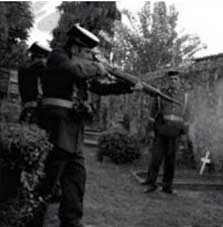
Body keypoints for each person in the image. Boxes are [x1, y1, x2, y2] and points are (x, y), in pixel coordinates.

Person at [28, 23, 142, 227]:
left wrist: (129, 86)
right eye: (88, 52)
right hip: (55, 127)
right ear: (75, 48)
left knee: (76, 181)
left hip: (73, 129)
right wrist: (98, 67)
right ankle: (32, 219)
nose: (90, 56)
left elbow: (99, 88)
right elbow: (72, 71)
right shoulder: (57, 57)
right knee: (48, 182)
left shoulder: (80, 67)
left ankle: (71, 222)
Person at [143, 71, 190, 194]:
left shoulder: (185, 97)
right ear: (167, 81)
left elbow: (187, 118)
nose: (173, 82)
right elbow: (152, 115)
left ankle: (167, 187)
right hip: (161, 131)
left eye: (175, 79)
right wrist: (151, 130)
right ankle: (151, 184)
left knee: (171, 161)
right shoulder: (160, 94)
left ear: (180, 81)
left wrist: (184, 134)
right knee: (156, 159)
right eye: (171, 80)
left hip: (175, 133)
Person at [18, 42, 51, 124]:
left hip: (34, 108)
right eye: (42, 58)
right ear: (37, 58)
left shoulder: (33, 69)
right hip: (33, 108)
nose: (44, 61)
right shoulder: (30, 69)